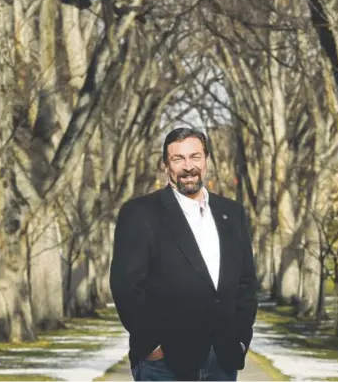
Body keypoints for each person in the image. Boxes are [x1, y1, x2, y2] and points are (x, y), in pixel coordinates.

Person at [110, 128, 258, 381]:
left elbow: (245, 282)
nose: (188, 167)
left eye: (195, 157)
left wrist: (241, 339)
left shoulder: (231, 213)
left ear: (207, 160)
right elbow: (126, 287)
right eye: (178, 159)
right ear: (166, 165)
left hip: (222, 359)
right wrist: (152, 347)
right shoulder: (141, 213)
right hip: (164, 364)